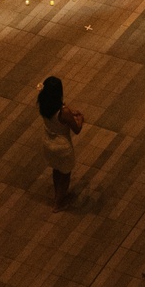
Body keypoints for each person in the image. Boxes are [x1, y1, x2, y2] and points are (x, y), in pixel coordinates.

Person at [36, 75, 83, 210]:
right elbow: (77, 128)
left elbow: (62, 111)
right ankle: (59, 203)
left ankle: (57, 195)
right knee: (65, 174)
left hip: (48, 143)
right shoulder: (63, 112)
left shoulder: (44, 105)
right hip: (62, 147)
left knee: (56, 170)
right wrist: (80, 117)